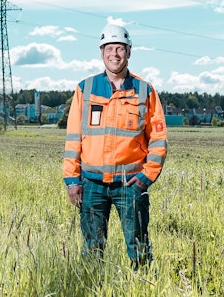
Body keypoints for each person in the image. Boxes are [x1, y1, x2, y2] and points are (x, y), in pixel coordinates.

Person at [62, 23, 168, 269]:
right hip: (91, 185)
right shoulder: (84, 89)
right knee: (92, 250)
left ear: (129, 52)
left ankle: (144, 287)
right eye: (109, 48)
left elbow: (159, 139)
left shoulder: (145, 90)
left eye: (120, 48)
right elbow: (73, 138)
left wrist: (145, 177)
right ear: (101, 52)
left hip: (130, 184)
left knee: (139, 247)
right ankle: (92, 288)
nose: (115, 54)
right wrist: (72, 180)